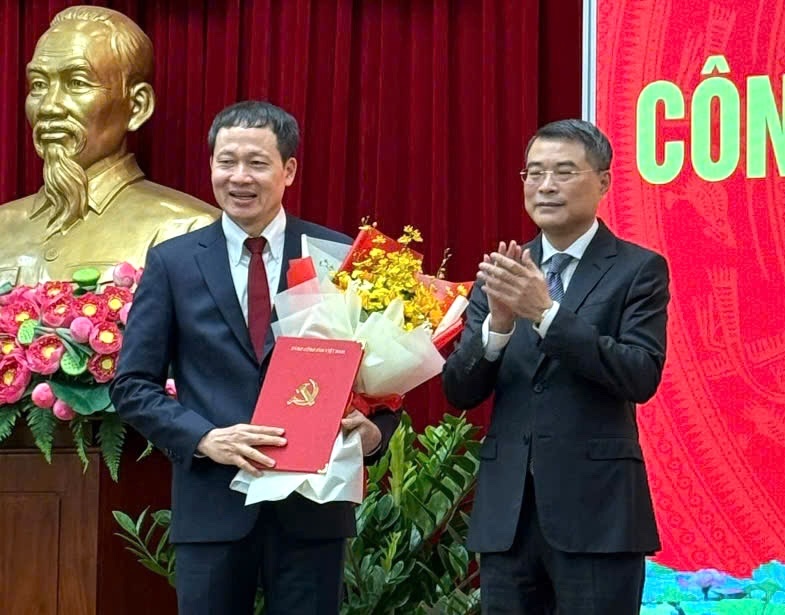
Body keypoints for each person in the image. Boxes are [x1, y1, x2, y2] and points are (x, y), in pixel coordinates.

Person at [109, 101, 400, 614]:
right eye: (227, 161)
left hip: (312, 509)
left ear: (288, 170)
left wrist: (375, 435)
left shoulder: (336, 256)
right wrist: (204, 438)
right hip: (213, 506)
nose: (239, 177)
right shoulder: (174, 263)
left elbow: (384, 376)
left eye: (257, 163)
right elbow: (132, 385)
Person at [443, 119, 670, 614]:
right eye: (534, 173)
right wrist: (498, 328)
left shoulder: (638, 269)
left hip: (599, 516)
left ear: (604, 181)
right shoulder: (504, 270)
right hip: (508, 519)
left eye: (563, 172)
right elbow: (459, 391)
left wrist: (546, 314)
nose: (545, 186)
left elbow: (640, 373)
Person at [0, 5, 217, 286]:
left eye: (77, 83)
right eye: (39, 84)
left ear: (137, 106)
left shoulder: (188, 232)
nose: (49, 106)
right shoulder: (4, 225)